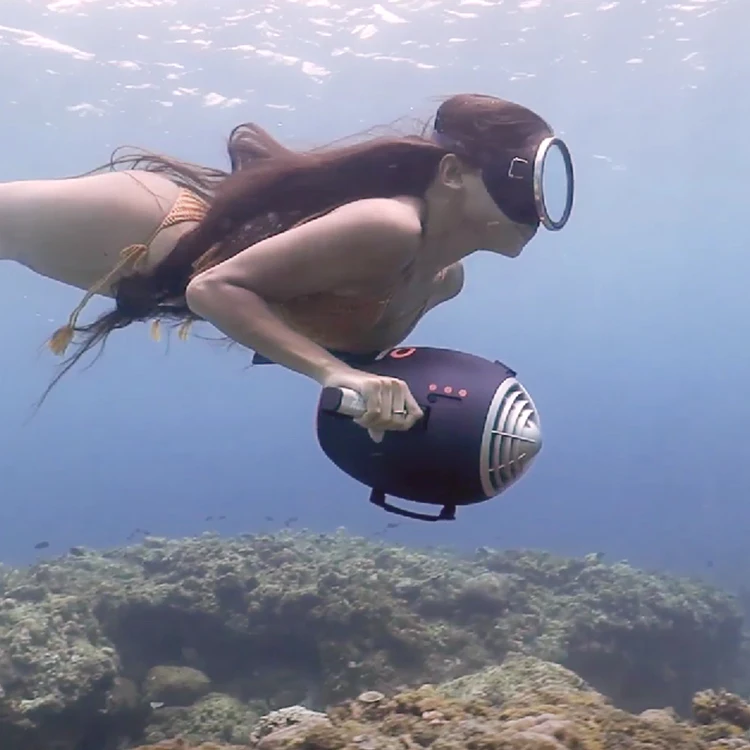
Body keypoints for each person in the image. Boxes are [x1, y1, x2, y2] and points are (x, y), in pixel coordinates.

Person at [0, 92, 573, 435]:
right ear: (451, 174)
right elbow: (214, 290)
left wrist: (384, 404)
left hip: (157, 268)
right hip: (144, 226)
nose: (540, 212)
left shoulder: (445, 281)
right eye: (526, 181)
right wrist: (334, 373)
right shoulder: (391, 227)